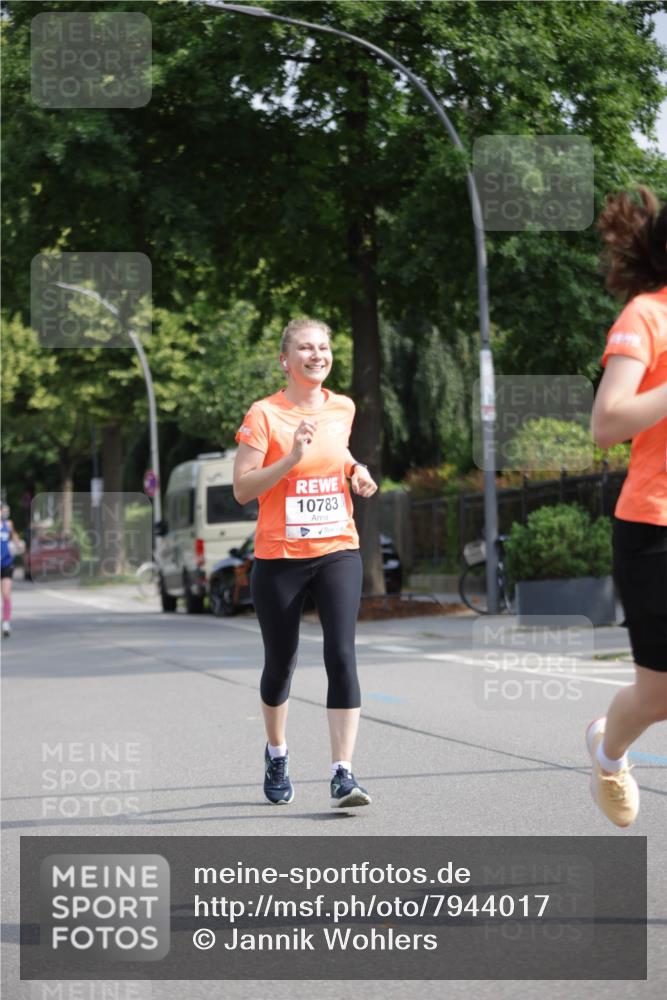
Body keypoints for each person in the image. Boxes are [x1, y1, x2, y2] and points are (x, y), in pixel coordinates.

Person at [233, 317, 378, 808]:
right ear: (285, 360)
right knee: (281, 664)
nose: (317, 355)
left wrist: (356, 470)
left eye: (323, 347)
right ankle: (276, 752)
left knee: (341, 653)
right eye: (305, 348)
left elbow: (338, 452)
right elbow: (242, 488)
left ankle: (344, 772)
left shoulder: (343, 407)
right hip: (280, 558)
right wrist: (290, 459)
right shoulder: (264, 415)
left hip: (338, 547)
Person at [588, 186, 667, 827]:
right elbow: (608, 422)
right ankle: (609, 751)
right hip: (655, 525)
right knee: (659, 695)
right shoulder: (646, 316)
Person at [1, 502, 23, 638]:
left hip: (6, 563)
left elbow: (14, 537)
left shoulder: (8, 525)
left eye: (1, 510)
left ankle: (6, 623)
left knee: (6, 593)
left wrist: (19, 545)